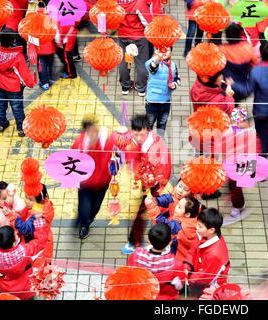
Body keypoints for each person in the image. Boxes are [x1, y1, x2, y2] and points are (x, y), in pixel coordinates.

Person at [121, 114, 172, 254]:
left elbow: (164, 169)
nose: (138, 138)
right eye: (135, 134)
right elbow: (133, 158)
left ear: (148, 130)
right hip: (144, 180)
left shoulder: (158, 147)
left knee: (145, 211)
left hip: (155, 184)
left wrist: (155, 183)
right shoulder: (134, 141)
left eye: (141, 134)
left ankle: (134, 241)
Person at [72, 115, 115, 239]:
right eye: (91, 132)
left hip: (103, 182)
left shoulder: (108, 141)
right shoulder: (80, 144)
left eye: (95, 130)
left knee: (95, 207)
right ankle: (84, 225)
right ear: (86, 132)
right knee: (85, 207)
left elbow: (118, 155)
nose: (94, 134)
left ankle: (84, 219)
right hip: (86, 183)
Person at [0, 27, 36, 136]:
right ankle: (21, 128)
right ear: (12, 41)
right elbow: (24, 73)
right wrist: (30, 83)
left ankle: (1, 124)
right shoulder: (17, 56)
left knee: (0, 104)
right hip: (14, 87)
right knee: (17, 107)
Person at [128, 223, 186, 300]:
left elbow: (130, 274)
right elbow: (180, 285)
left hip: (142, 296)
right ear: (170, 242)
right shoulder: (175, 264)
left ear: (149, 240)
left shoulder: (136, 256)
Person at [0, 225, 47, 300]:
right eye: (15, 234)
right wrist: (38, 225)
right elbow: (40, 242)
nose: (16, 232)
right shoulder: (25, 251)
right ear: (13, 243)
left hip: (6, 290)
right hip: (26, 289)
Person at [183, 208, 230, 298]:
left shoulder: (214, 254)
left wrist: (189, 280)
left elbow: (204, 277)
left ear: (211, 230)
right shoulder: (206, 236)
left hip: (206, 286)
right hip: (197, 275)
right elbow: (193, 251)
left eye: (200, 226)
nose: (196, 227)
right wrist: (186, 267)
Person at [14, 184, 55, 268]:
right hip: (43, 247)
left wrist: (24, 250)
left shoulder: (38, 219)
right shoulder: (42, 206)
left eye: (30, 200)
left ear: (39, 200)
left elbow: (38, 242)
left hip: (38, 255)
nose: (26, 201)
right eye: (26, 197)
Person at [117, 0, 152, 96]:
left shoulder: (116, 2)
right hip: (138, 38)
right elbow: (147, 22)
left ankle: (125, 86)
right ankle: (141, 88)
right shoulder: (139, 2)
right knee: (141, 63)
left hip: (123, 36)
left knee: (125, 61)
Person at [219, 23, 259, 104]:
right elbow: (256, 65)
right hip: (243, 87)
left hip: (227, 86)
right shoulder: (248, 48)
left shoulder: (222, 50)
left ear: (227, 37)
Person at [145, 47, 181, 136]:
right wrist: (157, 58)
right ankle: (147, 141)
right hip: (152, 102)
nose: (164, 53)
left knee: (162, 125)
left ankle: (159, 142)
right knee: (149, 125)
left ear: (171, 52)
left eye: (167, 50)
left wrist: (174, 84)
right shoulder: (152, 62)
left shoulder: (173, 65)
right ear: (157, 51)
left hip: (165, 102)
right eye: (161, 50)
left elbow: (177, 78)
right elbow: (152, 69)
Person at [0, 182, 25, 248]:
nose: (8, 200)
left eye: (9, 196)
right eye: (4, 199)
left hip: (19, 237)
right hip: (4, 242)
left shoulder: (17, 201)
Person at [37, 1, 56, 90]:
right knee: (49, 64)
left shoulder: (33, 18)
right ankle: (48, 79)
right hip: (50, 46)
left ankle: (44, 83)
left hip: (40, 48)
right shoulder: (50, 17)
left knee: (42, 65)